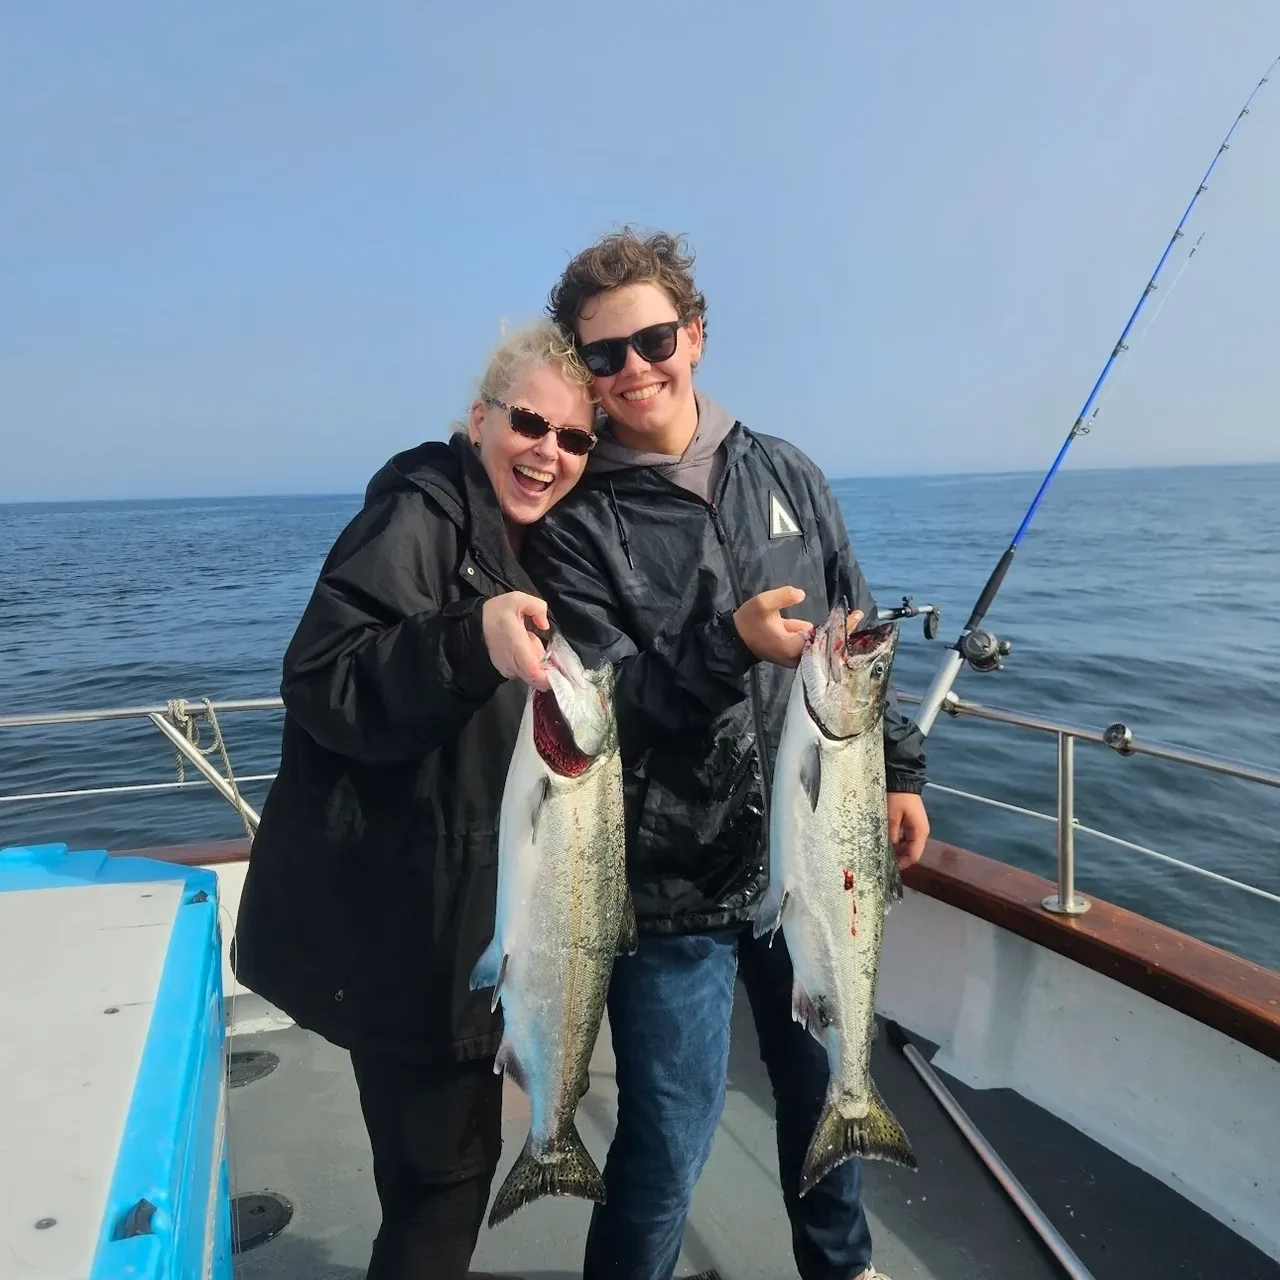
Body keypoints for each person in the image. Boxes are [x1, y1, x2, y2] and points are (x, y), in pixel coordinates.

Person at [522, 229, 931, 1280]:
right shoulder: (575, 525)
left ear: (693, 336)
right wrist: (728, 646)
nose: (632, 370)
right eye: (601, 356)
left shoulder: (782, 468)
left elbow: (858, 627)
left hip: (813, 855)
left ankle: (843, 1270)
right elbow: (604, 713)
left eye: (651, 339)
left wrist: (897, 772)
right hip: (667, 890)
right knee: (666, 1149)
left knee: (823, 1099)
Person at [232, 320, 596, 1280]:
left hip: (453, 925)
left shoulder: (526, 546)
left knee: (439, 1185)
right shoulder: (421, 515)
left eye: (573, 439)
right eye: (528, 423)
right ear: (479, 420)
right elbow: (323, 677)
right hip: (400, 932)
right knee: (440, 1196)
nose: (548, 452)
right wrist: (468, 642)